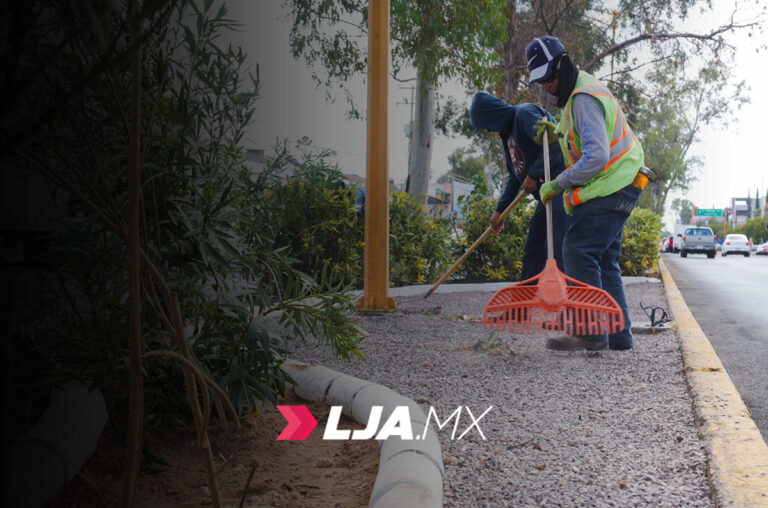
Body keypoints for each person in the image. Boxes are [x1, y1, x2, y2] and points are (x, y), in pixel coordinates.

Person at [526, 35, 649, 351]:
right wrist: (560, 133)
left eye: (552, 76)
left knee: (579, 250)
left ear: (563, 65)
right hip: (625, 184)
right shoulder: (578, 95)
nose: (550, 84)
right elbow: (584, 139)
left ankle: (591, 332)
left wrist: (558, 183)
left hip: (609, 186)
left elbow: (595, 157)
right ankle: (619, 335)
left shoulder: (581, 99)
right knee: (605, 259)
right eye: (543, 81)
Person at [469, 92, 569, 282]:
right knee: (533, 249)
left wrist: (533, 175)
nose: (487, 130)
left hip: (561, 189)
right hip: (546, 197)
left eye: (485, 126)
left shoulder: (524, 114)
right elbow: (516, 178)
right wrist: (500, 211)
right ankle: (522, 308)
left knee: (558, 248)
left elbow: (555, 145)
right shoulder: (507, 137)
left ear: (491, 116)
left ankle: (570, 309)